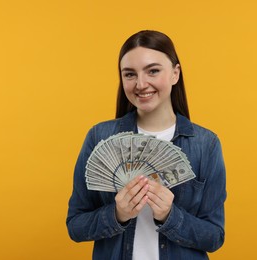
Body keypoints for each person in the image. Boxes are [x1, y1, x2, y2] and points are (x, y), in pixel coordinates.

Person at [66, 30, 226, 260]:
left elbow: (214, 237)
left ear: (175, 73)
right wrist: (117, 214)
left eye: (153, 71)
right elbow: (75, 226)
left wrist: (170, 215)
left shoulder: (206, 145)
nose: (141, 84)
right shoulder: (98, 136)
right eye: (130, 74)